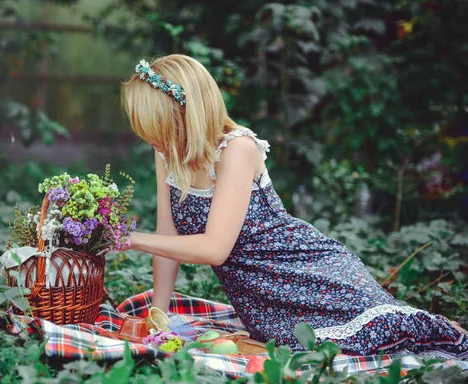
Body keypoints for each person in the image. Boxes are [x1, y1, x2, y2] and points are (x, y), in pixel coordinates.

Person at [120, 54, 468, 359]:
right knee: (305, 348)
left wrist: (130, 238)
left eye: (156, 128)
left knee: (399, 331)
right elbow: (167, 234)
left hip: (309, 271)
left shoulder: (237, 149)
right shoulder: (167, 150)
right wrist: (158, 318)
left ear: (185, 118)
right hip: (261, 301)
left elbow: (215, 249)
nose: (149, 137)